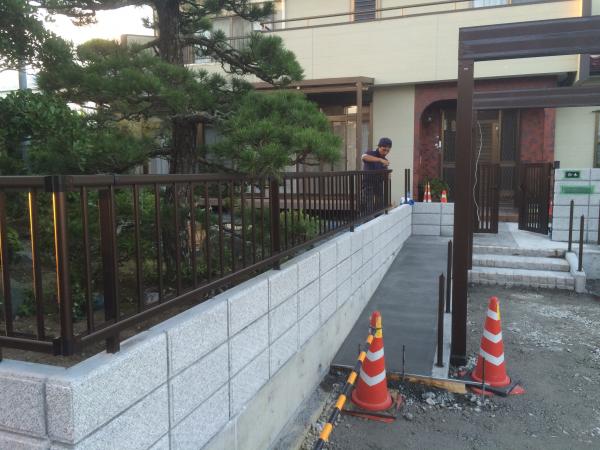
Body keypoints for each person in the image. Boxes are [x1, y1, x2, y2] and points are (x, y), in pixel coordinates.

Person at [360, 137, 392, 212]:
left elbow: (385, 174)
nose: (386, 152)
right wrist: (380, 160)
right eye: (384, 150)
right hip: (368, 184)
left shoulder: (385, 160)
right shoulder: (372, 153)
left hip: (379, 185)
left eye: (388, 150)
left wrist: (387, 174)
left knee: (380, 207)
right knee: (368, 208)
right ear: (379, 147)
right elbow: (363, 157)